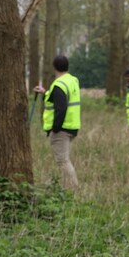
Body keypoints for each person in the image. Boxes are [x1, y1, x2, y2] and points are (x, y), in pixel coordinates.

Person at [34, 55, 80, 189]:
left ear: (54, 67)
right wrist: (45, 92)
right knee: (64, 159)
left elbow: (61, 107)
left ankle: (73, 188)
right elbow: (62, 99)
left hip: (62, 129)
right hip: (72, 126)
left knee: (62, 161)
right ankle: (70, 187)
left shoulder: (59, 84)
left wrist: (55, 128)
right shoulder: (72, 80)